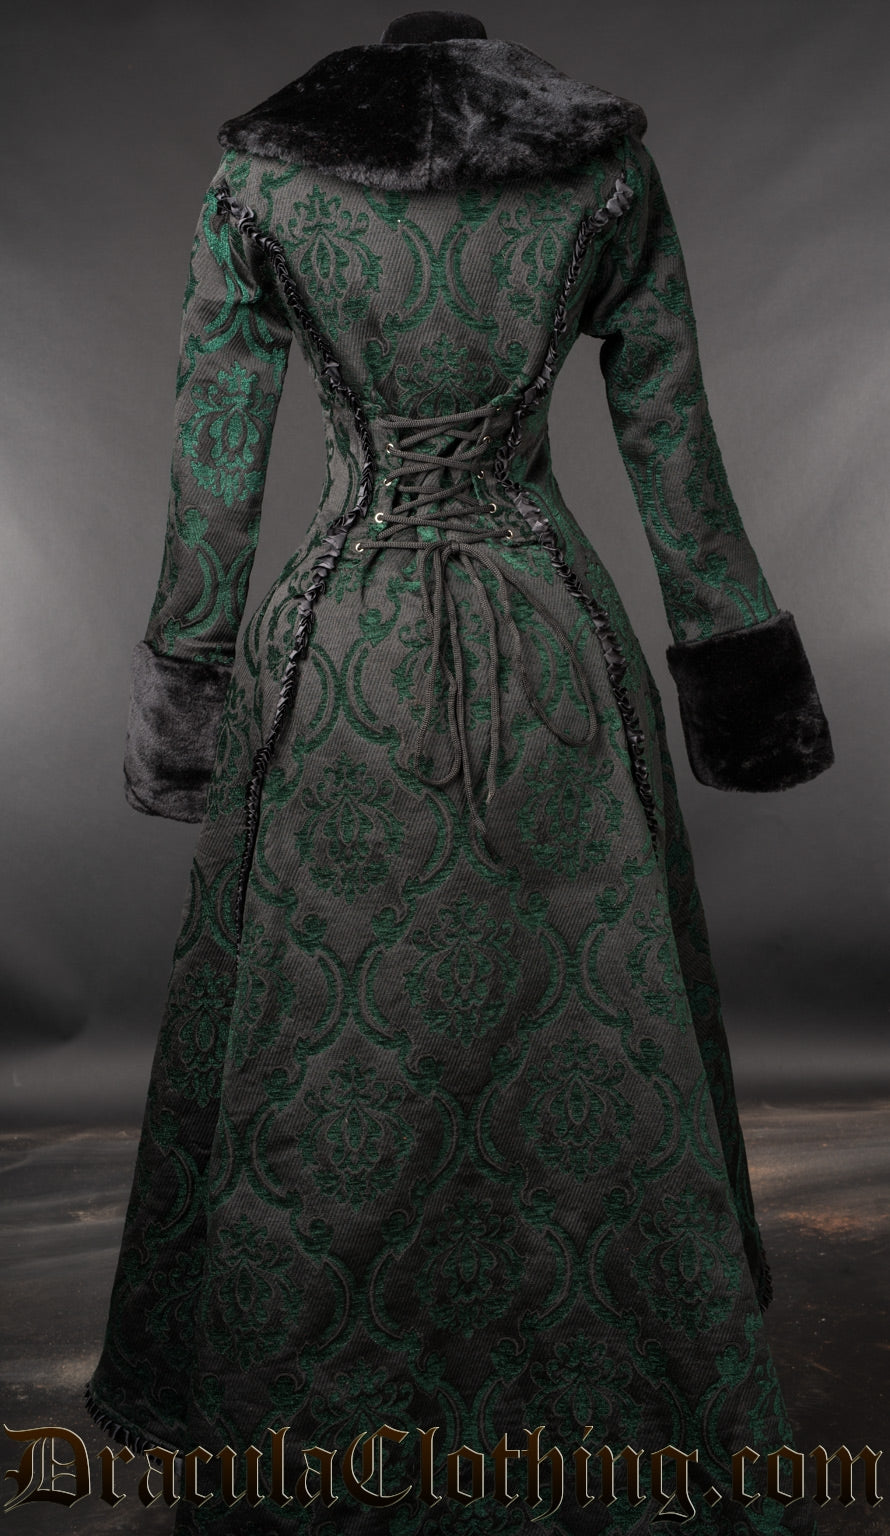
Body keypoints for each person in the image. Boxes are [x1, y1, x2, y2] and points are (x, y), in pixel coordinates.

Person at [86, 11, 833, 1531]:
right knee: (583, 1041)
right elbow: (668, 430)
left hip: (337, 660)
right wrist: (732, 662)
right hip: (553, 639)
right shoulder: (603, 174)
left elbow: (215, 448)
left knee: (326, 1056)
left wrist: (192, 675)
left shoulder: (260, 180)